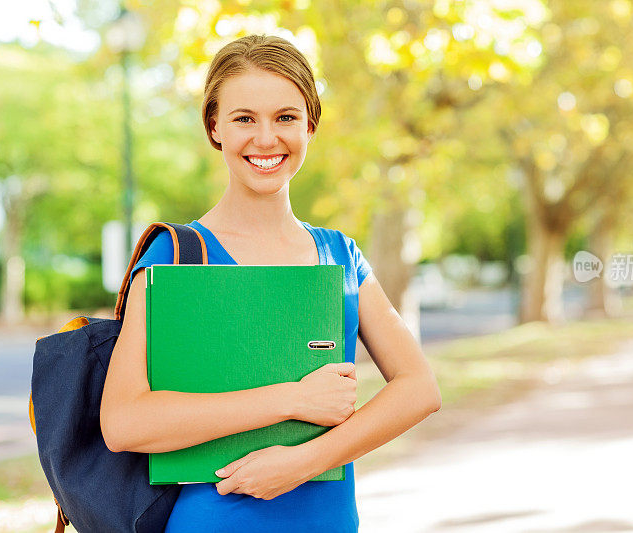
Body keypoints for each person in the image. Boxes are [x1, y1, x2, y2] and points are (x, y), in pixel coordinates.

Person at [99, 34, 441, 532]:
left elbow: (419, 388)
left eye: (285, 117)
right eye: (244, 118)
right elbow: (124, 423)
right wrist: (292, 400)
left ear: (310, 125)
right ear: (214, 126)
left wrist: (305, 460)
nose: (266, 139)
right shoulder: (176, 256)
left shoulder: (340, 256)